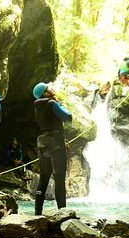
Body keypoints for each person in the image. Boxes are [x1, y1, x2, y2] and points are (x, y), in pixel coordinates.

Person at [33, 82, 72, 215]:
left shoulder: (37, 108)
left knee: (44, 178)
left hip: (43, 145)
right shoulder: (52, 104)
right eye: (49, 87)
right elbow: (68, 117)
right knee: (59, 178)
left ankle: (37, 212)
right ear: (45, 92)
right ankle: (62, 212)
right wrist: (60, 104)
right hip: (56, 144)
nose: (52, 88)